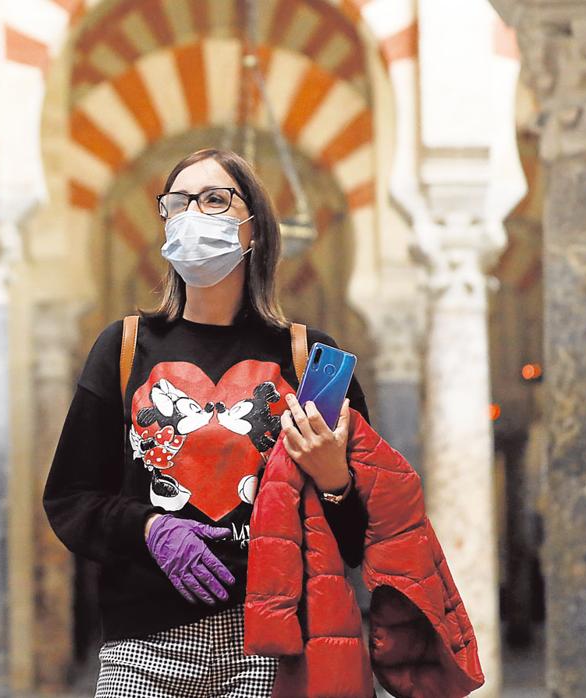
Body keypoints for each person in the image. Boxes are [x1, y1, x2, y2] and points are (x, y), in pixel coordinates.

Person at [43, 149, 369, 697]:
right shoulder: (123, 347)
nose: (193, 212)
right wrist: (150, 527)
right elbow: (70, 498)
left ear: (253, 231)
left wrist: (335, 479)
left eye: (215, 199)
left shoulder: (307, 357)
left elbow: (355, 540)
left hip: (269, 643)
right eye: (178, 202)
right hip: (143, 646)